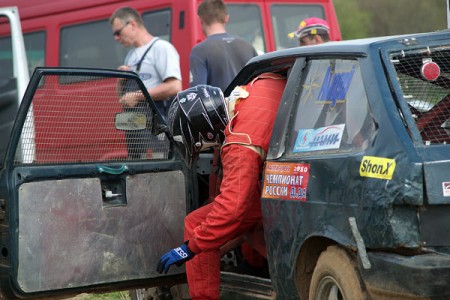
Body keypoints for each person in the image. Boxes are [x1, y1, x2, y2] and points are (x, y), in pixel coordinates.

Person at [157, 73, 287, 299]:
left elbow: (232, 210)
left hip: (282, 188)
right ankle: (256, 266)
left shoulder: (239, 142)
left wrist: (191, 247)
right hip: (293, 179)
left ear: (205, 131)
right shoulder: (259, 84)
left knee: (196, 223)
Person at [110, 7, 182, 158]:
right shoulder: (130, 56)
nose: (116, 38)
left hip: (158, 131)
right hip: (136, 133)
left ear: (132, 25)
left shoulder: (161, 48)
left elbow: (175, 86)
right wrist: (119, 80)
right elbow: (123, 99)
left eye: (118, 32)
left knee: (157, 172)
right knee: (138, 173)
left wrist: (137, 96)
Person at [189, 0, 258, 92]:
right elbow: (260, 83)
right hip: (249, 105)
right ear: (226, 18)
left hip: (220, 106)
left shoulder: (199, 51)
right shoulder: (248, 46)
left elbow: (198, 94)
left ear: (201, 19)